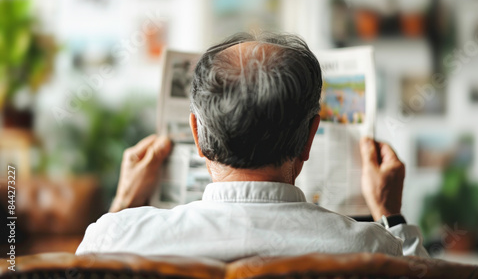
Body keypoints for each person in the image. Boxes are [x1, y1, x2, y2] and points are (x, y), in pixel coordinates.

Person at [76, 32, 429, 259]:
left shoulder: (115, 240)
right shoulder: (371, 249)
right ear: (310, 138)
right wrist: (391, 215)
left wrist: (123, 204)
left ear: (197, 136)